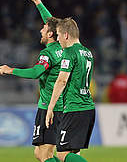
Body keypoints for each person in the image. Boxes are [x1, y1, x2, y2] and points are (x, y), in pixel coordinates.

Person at [0, 0, 63, 162]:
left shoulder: (48, 53)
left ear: (50, 34)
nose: (40, 30)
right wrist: (37, 1)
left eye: (43, 29)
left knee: (44, 154)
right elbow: (51, 22)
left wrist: (11, 70)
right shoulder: (62, 47)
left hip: (50, 106)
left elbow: (35, 72)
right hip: (59, 105)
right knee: (43, 154)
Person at [45, 18, 95, 162]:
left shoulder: (69, 52)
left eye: (59, 35)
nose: (58, 39)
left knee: (62, 154)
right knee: (74, 153)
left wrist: (51, 107)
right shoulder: (88, 53)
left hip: (75, 108)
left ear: (66, 35)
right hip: (87, 108)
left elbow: (61, 80)